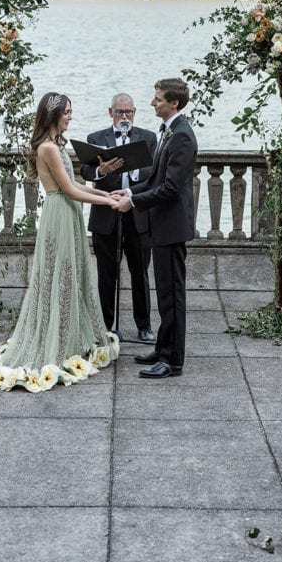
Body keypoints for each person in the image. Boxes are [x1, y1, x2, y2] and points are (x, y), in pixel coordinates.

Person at [0, 92, 120, 393]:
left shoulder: (56, 145)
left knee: (72, 272)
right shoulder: (48, 147)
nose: (70, 117)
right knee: (59, 275)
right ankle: (56, 341)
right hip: (60, 212)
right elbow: (69, 191)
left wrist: (107, 194)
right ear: (52, 115)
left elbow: (76, 184)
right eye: (66, 112)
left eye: (70, 112)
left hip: (67, 211)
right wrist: (108, 204)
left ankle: (69, 336)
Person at [114, 77, 198, 380]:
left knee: (172, 294)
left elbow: (171, 188)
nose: (153, 103)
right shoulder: (170, 131)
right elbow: (155, 180)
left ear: (173, 103)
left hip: (171, 227)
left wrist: (133, 203)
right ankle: (163, 348)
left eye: (158, 99)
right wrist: (130, 192)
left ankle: (173, 360)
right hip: (161, 225)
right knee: (163, 292)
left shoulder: (182, 136)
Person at [79, 92, 157, 344]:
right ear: (110, 113)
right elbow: (86, 170)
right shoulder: (96, 138)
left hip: (138, 214)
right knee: (106, 273)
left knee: (140, 272)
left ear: (135, 113)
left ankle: (144, 325)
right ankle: (107, 325)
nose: (125, 117)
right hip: (106, 213)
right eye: (120, 112)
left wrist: (133, 167)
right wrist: (102, 170)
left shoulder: (148, 137)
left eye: (129, 112)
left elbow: (154, 173)